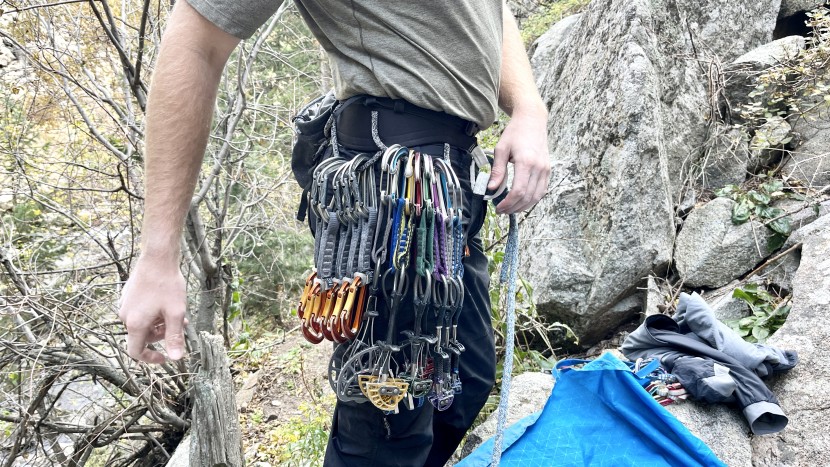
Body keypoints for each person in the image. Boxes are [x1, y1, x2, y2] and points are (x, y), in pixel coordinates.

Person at [117, 1, 550, 465]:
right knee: (388, 421)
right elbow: (198, 39)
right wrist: (158, 253)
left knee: (465, 381)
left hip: (450, 185)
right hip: (391, 189)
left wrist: (528, 109)